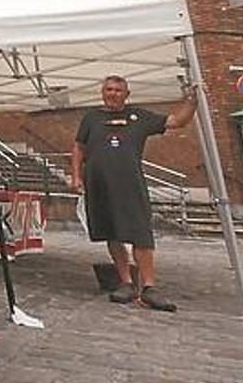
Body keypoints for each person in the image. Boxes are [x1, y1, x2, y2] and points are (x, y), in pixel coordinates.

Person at [72, 75, 198, 312]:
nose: (112, 93)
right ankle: (126, 282)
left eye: (118, 90)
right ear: (102, 92)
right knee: (112, 233)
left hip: (130, 185)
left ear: (127, 94)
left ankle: (149, 287)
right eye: (108, 89)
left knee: (140, 233)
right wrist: (76, 176)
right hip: (98, 185)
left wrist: (192, 102)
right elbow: (79, 146)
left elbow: (176, 122)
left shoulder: (139, 117)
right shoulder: (91, 118)